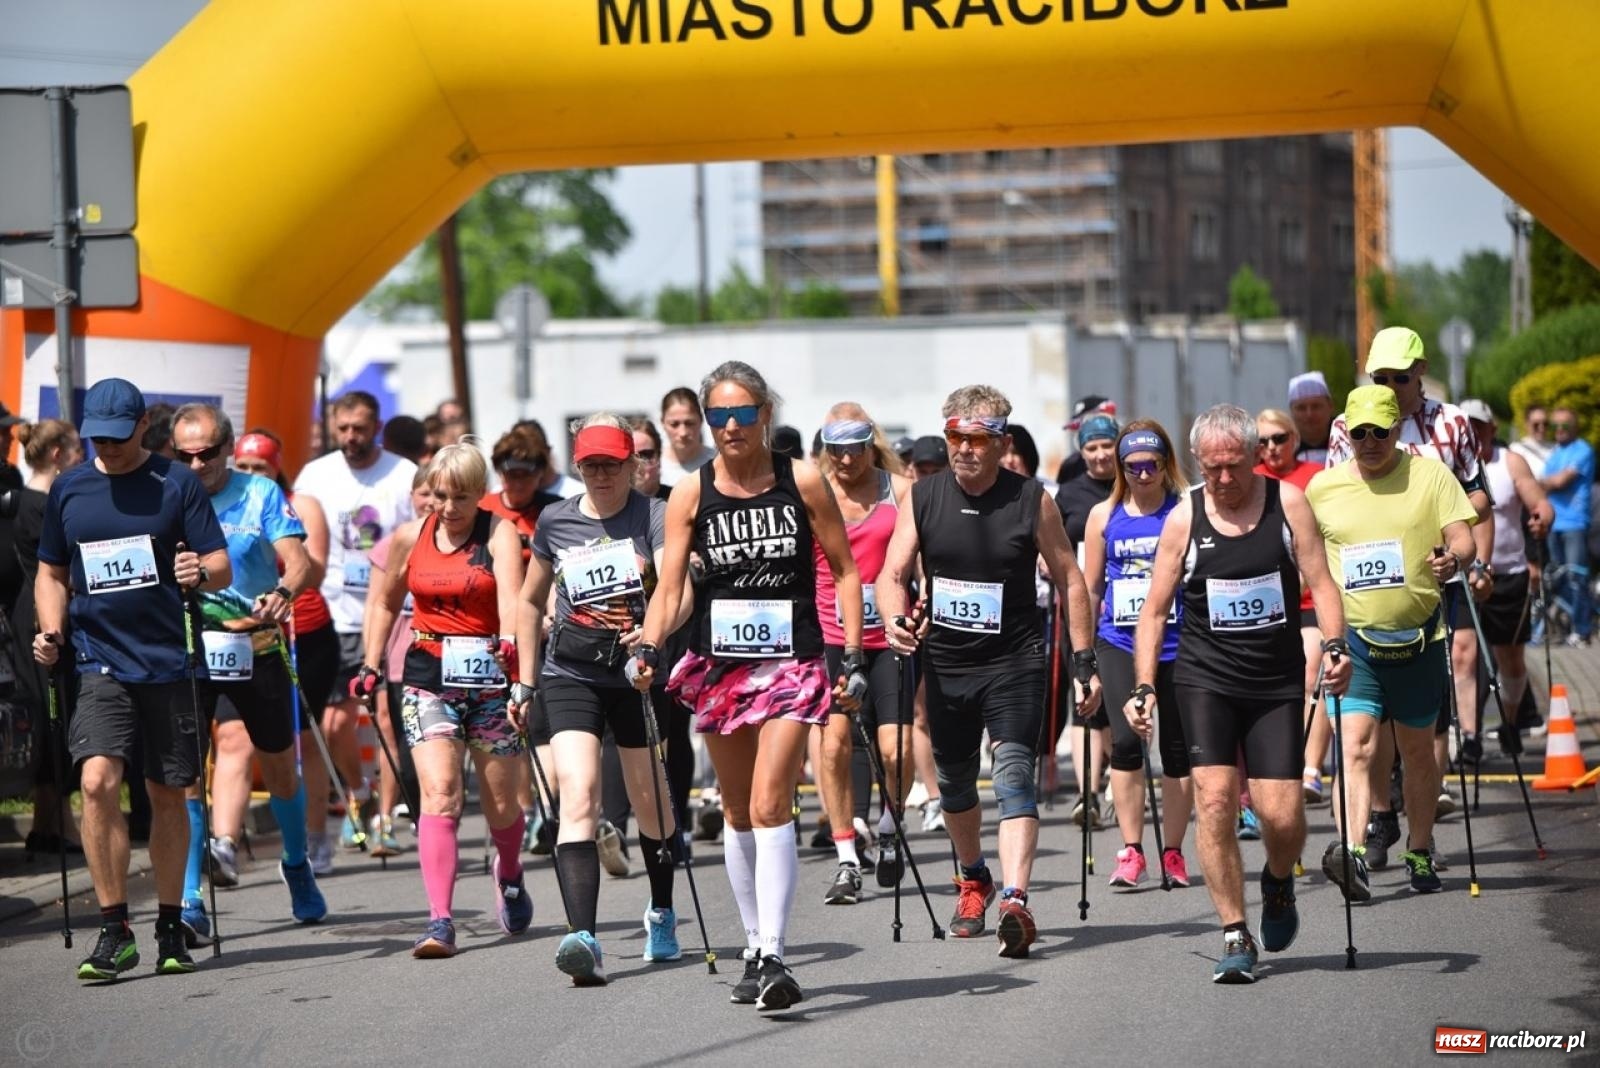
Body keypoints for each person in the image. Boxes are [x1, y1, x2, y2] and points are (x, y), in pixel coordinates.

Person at [629, 361, 863, 1012]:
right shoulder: (690, 493)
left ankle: (778, 955)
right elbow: (670, 590)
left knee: (769, 802)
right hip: (721, 665)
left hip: (793, 660)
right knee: (735, 811)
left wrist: (849, 654)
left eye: (742, 413)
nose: (730, 427)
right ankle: (755, 946)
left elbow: (844, 570)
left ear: (765, 414)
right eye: (719, 416)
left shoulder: (802, 479)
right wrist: (649, 645)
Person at [1127, 403, 1348, 984]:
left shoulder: (1287, 504)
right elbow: (1154, 612)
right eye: (1213, 468)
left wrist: (1336, 647)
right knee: (1216, 801)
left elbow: (1323, 583)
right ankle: (1233, 931)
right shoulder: (1185, 517)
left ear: (1254, 456)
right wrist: (1144, 686)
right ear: (1197, 463)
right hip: (1206, 679)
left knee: (1282, 816)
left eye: (1235, 466)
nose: (1225, 479)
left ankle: (1277, 881)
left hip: (1274, 681)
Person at [879, 384, 1101, 960]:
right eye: (955, 436)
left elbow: (1070, 578)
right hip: (947, 663)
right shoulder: (923, 497)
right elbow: (892, 573)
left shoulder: (1031, 499)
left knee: (1012, 776)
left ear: (1001, 443)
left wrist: (1084, 661)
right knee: (955, 785)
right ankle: (974, 878)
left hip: (1014, 661)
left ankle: (1015, 901)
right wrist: (894, 618)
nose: (964, 449)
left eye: (977, 439)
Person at [32, 378, 233, 982]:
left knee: (167, 793)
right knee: (96, 782)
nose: (109, 447)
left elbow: (219, 564)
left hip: (169, 661)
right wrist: (51, 630)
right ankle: (114, 928)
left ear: (144, 425)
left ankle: (169, 924)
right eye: (98, 437)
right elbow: (50, 572)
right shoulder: (69, 488)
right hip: (98, 660)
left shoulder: (176, 483)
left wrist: (199, 571)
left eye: (119, 436)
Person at [510, 414, 689, 984]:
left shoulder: (654, 514)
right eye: (591, 466)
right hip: (572, 672)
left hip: (637, 673)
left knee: (650, 802)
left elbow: (678, 591)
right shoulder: (555, 519)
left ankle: (661, 911)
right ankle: (582, 937)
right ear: (578, 467)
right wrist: (524, 679)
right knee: (579, 793)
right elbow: (529, 601)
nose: (602, 475)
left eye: (612, 464)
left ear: (632, 465)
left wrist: (653, 636)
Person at [1327, 327, 1492, 866]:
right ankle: (1379, 816)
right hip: (1366, 590)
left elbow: (1479, 495)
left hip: (1431, 579)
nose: (1390, 387)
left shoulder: (1452, 423)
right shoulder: (1346, 425)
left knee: (1424, 722)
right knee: (1369, 724)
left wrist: (1452, 535)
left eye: (1399, 378)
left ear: (1420, 371)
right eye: (1380, 378)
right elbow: (1336, 497)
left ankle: (1424, 829)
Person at [357, 440, 529, 958]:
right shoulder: (410, 537)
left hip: (489, 677)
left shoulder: (499, 533)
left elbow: (512, 600)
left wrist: (512, 648)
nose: (448, 508)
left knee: (502, 804)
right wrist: (370, 664)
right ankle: (440, 920)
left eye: (460, 498)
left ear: (480, 494)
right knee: (440, 794)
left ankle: (510, 872)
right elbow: (384, 604)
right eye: (439, 496)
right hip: (428, 675)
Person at [1306, 386, 1477, 898]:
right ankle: (1353, 854)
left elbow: (1463, 536)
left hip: (1419, 638)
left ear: (1397, 429)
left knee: (1417, 753)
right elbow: (1302, 553)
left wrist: (1454, 558)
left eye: (1379, 432)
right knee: (1356, 746)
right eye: (1358, 433)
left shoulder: (1431, 475)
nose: (1369, 442)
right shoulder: (1324, 488)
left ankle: (1419, 851)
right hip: (1353, 642)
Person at [169, 404, 327, 943]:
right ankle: (190, 899)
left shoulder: (259, 493)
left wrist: (283, 592)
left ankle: (296, 864)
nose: (197, 465)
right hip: (191, 648)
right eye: (185, 455)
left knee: (279, 769)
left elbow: (299, 562)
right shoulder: (166, 495)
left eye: (208, 453)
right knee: (186, 773)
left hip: (254, 645)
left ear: (228, 448)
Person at [293, 391, 417, 870]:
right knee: (335, 723)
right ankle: (358, 790)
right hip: (335, 615)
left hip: (392, 613)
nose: (351, 437)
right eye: (343, 429)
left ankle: (384, 817)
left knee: (386, 719)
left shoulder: (402, 474)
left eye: (360, 428)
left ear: (377, 427)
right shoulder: (315, 475)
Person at [1082, 421, 1194, 889]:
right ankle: (1132, 850)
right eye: (1134, 467)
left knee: (1177, 749)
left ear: (1166, 464)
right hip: (1119, 640)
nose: (1144, 474)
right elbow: (1090, 589)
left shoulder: (1184, 510)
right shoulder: (1103, 516)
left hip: (1177, 640)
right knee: (1126, 742)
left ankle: (1173, 851)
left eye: (1153, 465)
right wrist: (1083, 659)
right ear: (1121, 468)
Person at [229, 430, 348, 871]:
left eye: (260, 467)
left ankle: (316, 835)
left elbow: (314, 571)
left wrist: (281, 546)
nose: (251, 474)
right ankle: (225, 842)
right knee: (237, 737)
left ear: (277, 467)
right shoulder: (228, 503)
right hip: (243, 632)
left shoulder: (301, 503)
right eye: (243, 466)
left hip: (304, 632)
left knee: (304, 737)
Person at [811, 405, 913, 906]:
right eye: (836, 449)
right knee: (834, 747)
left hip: (889, 636)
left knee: (895, 751)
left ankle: (890, 826)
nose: (846, 459)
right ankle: (847, 858)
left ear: (871, 444)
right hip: (831, 636)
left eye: (854, 448)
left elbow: (921, 557)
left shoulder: (900, 490)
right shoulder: (815, 492)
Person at [8, 420, 83, 854]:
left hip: (29, 611)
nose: (81, 460)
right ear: (57, 454)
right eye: (76, 452)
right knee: (58, 711)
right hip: (46, 613)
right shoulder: (45, 505)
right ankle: (58, 822)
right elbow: (57, 570)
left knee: (49, 711)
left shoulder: (21, 502)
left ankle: (47, 822)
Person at [1462, 401, 1553, 750]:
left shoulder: (1509, 461)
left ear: (1492, 429)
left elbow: (1539, 502)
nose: (1473, 432)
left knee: (1510, 660)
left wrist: (1543, 518)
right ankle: (1470, 736)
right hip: (1464, 577)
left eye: (1479, 426)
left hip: (1508, 575)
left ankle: (1511, 722)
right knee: (1463, 655)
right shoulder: (1450, 464)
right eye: (1467, 426)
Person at [1254, 408, 1332, 806]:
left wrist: (1297, 583)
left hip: (1306, 596)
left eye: (1279, 438)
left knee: (1312, 671)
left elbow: (1324, 539)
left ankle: (1310, 768)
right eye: (1262, 441)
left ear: (1295, 440)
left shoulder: (1315, 478)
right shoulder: (1249, 480)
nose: (1271, 447)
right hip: (1261, 599)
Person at [1055, 412, 1118, 828]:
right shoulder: (1070, 493)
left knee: (1115, 697)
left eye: (1106, 445)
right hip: (1081, 606)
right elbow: (1052, 542)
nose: (1099, 455)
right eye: (1091, 448)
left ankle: (1119, 771)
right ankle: (1087, 793)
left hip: (1126, 605)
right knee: (1083, 698)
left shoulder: (1133, 483)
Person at [1539, 406, 1594, 646]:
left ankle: (1583, 630)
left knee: (1576, 576)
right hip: (1553, 524)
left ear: (1575, 427)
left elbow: (1559, 481)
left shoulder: (1583, 450)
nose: (1559, 430)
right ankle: (1571, 624)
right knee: (1557, 578)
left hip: (1574, 524)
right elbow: (1546, 482)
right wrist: (1544, 483)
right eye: (1555, 425)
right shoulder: (1555, 453)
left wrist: (1542, 483)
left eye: (1565, 425)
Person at [659, 386, 717, 487]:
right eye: (674, 424)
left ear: (701, 420)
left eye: (689, 423)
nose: (683, 433)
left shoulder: (718, 462)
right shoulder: (654, 467)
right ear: (663, 423)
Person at [1055, 395, 1117, 485]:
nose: (1101, 456)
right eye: (1091, 448)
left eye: (1107, 446)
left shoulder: (1129, 458)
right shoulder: (1072, 465)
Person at [1288, 371, 1335, 465]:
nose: (1309, 414)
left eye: (1316, 406)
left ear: (1330, 407)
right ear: (1291, 411)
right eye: (1301, 408)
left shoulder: (1350, 440)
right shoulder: (1283, 445)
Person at [1509, 405, 1554, 472]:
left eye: (1545, 424)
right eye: (1536, 425)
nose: (1541, 428)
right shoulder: (1516, 449)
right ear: (1527, 425)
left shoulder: (1555, 448)